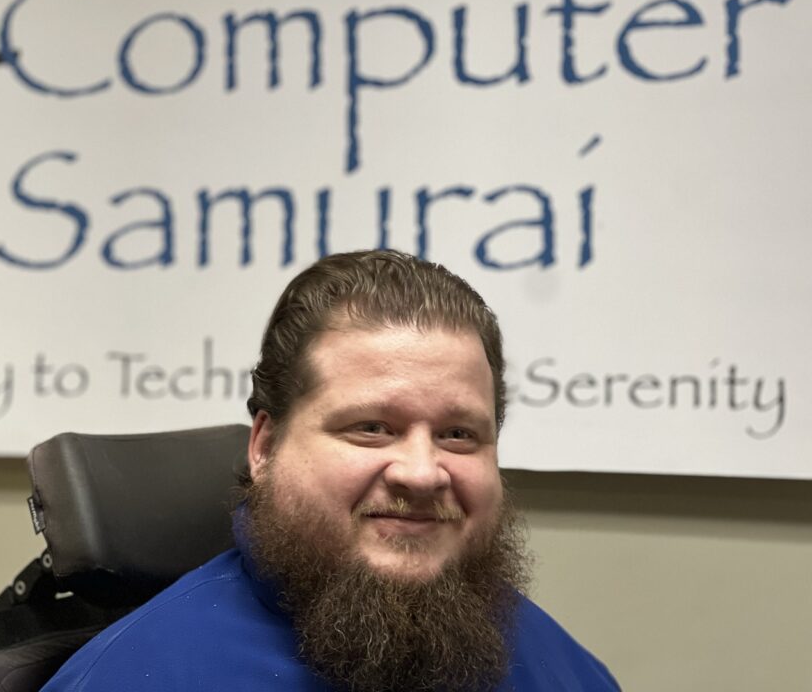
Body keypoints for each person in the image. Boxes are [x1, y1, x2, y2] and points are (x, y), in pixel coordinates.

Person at [42, 250, 620, 691]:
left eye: (458, 435)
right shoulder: (134, 675)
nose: (422, 473)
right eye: (371, 427)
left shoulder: (564, 669)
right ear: (265, 447)